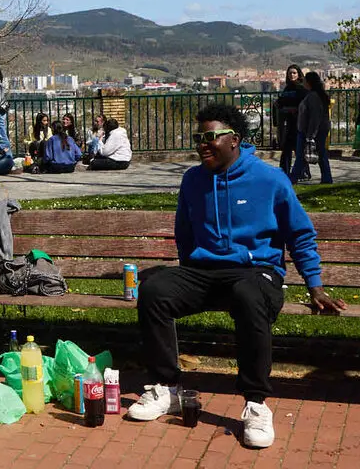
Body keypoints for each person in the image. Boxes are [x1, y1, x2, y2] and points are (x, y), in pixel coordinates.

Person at [127, 103, 345, 450]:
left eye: (211, 137)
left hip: (257, 273)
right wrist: (189, 274)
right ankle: (165, 388)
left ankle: (256, 404)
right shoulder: (193, 180)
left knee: (246, 294)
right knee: (154, 289)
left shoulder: (269, 179)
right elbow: (184, 234)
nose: (202, 144)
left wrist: (314, 285)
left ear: (235, 140)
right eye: (199, 138)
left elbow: (300, 234)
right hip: (205, 273)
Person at [290, 72, 332, 184]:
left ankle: (292, 179)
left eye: (304, 80)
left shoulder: (313, 96)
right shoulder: (315, 95)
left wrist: (310, 135)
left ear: (309, 82)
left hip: (310, 131)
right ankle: (327, 178)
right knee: (321, 155)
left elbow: (315, 117)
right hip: (315, 130)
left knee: (301, 156)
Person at [272, 64, 307, 176]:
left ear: (298, 74)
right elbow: (282, 101)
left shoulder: (302, 88)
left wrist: (294, 109)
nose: (292, 75)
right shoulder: (287, 88)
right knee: (288, 149)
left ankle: (301, 171)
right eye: (290, 73)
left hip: (299, 122)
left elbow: (304, 105)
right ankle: (287, 171)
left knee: (297, 149)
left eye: (294, 73)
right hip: (288, 123)